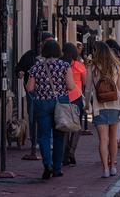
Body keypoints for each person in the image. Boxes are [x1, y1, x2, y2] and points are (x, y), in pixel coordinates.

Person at [26, 40, 77, 179]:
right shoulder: (64, 66)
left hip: (42, 103)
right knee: (59, 136)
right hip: (60, 102)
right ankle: (57, 168)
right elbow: (71, 86)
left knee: (44, 136)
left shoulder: (36, 67)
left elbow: (29, 88)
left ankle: (47, 164)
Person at [85, 41, 120, 178]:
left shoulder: (93, 66)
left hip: (99, 106)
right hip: (115, 105)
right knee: (113, 138)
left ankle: (105, 169)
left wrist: (86, 103)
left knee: (103, 139)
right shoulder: (117, 66)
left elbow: (88, 88)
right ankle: (113, 166)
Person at [15, 31, 55, 159]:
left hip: (49, 94)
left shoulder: (56, 58)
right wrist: (20, 72)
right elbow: (19, 68)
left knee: (50, 118)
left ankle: (47, 141)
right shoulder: (30, 56)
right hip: (32, 94)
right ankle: (35, 141)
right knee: (33, 117)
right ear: (41, 43)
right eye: (47, 42)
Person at [62, 42, 86, 166]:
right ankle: (71, 151)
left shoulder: (61, 65)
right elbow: (85, 81)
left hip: (64, 98)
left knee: (65, 126)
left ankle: (64, 154)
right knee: (76, 126)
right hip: (76, 98)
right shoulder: (79, 65)